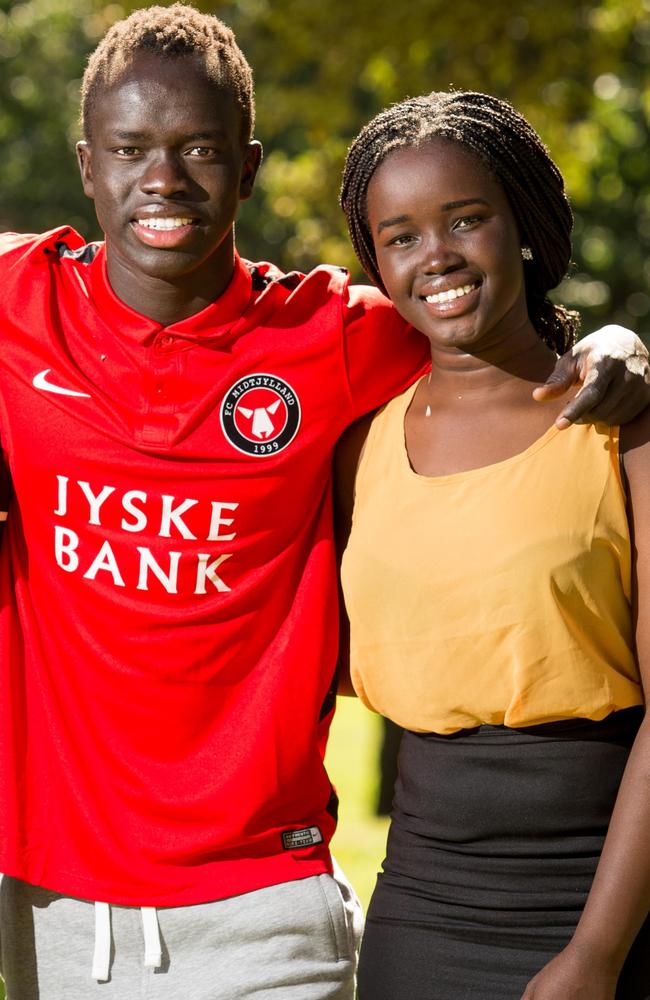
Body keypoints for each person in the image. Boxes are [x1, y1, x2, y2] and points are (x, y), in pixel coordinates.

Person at [0, 7, 646, 998]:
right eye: (129, 150)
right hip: (48, 906)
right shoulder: (15, 301)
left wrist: (615, 345)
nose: (161, 179)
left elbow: (495, 338)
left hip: (266, 900)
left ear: (248, 166)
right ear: (87, 165)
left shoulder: (337, 340)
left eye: (199, 150)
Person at [337, 90, 650, 1000]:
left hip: (604, 900)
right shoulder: (361, 448)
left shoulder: (619, 423)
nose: (435, 254)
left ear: (519, 224)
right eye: (400, 236)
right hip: (421, 908)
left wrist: (595, 957)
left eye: (464, 219)